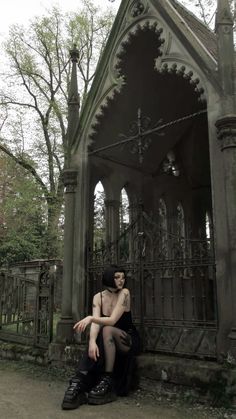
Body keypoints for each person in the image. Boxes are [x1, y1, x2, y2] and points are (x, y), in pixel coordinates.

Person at [61, 265, 140, 410]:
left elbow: (111, 321)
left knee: (107, 330)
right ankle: (78, 383)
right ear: (109, 277)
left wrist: (91, 318)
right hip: (106, 341)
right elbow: (97, 325)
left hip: (126, 338)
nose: (121, 280)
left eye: (123, 277)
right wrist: (91, 342)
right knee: (98, 336)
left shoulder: (125, 293)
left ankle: (107, 380)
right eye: (117, 277)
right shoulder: (98, 297)